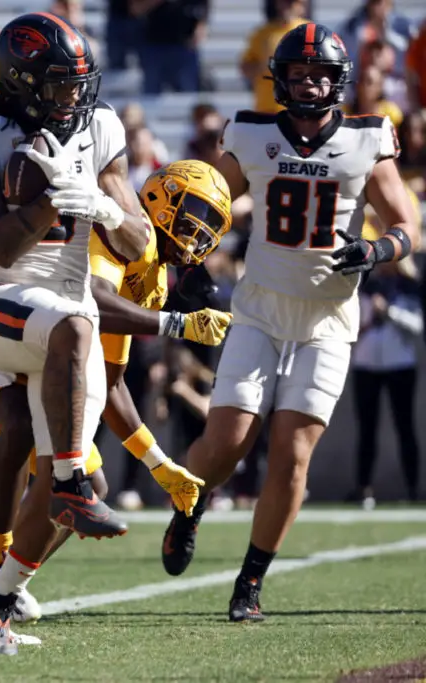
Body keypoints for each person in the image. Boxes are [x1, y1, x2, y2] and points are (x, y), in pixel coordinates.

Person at [160, 23, 420, 622]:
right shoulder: (250, 134)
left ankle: (249, 581)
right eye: (298, 75)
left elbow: (408, 223)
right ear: (279, 79)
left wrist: (378, 251)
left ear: (339, 81)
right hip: (257, 308)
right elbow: (207, 206)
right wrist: (190, 263)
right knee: (225, 443)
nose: (308, 85)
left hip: (329, 318)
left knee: (292, 452)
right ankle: (191, 507)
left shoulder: (366, 138)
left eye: (320, 75)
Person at [0, 160, 233, 645]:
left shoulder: (152, 276)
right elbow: (87, 298)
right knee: (34, 442)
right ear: (162, 195)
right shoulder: (119, 229)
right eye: (197, 212)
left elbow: (111, 383)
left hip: (33, 357)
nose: (201, 232)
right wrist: (174, 325)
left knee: (85, 483)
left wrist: (158, 464)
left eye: (213, 223)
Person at [0, 11, 156, 654]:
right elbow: (1, 247)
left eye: (78, 83)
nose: (73, 97)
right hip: (1, 302)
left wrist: (108, 206)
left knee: (90, 477)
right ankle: (67, 484)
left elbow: (139, 243)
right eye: (58, 84)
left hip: (61, 310)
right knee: (77, 322)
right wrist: (53, 199)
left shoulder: (101, 125)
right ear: (21, 81)